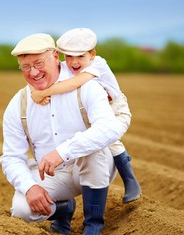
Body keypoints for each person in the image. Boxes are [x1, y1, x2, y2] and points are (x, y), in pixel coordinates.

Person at [0, 33, 122, 235]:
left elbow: (109, 128)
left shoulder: (86, 83)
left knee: (92, 151)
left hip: (96, 166)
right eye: (25, 67)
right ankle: (63, 209)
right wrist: (29, 187)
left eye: (38, 63)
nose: (34, 72)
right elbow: (11, 156)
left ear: (56, 56)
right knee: (21, 211)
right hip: (55, 174)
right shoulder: (18, 104)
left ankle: (93, 225)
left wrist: (62, 152)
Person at [30, 28, 142, 203]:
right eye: (68, 57)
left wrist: (43, 92)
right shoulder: (67, 66)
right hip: (89, 112)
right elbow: (38, 75)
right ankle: (66, 190)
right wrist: (34, 89)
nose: (74, 62)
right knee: (88, 139)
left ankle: (130, 180)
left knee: (110, 137)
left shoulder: (98, 64)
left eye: (80, 56)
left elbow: (75, 82)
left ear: (92, 54)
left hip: (115, 109)